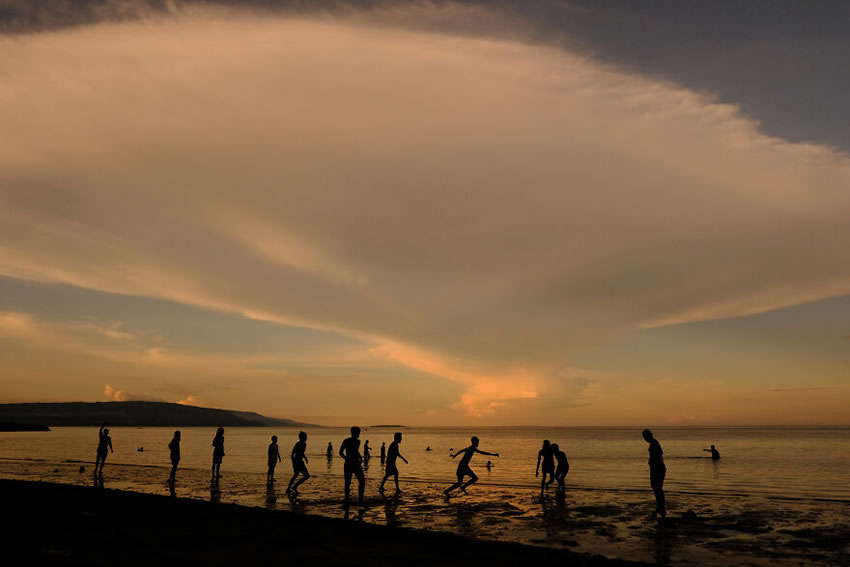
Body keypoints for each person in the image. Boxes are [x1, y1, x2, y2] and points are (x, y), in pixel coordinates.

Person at [642, 429, 666, 519]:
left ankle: (661, 507)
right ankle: (659, 507)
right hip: (656, 468)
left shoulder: (654, 443)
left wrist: (654, 463)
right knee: (656, 488)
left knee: (657, 488)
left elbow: (659, 454)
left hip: (658, 468)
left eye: (645, 437)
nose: (645, 439)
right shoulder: (653, 443)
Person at [339, 426, 365, 505]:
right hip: (349, 464)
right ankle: (347, 500)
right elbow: (340, 452)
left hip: (356, 464)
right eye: (357, 433)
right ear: (353, 433)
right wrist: (346, 458)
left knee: (362, 481)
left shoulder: (358, 442)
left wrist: (360, 457)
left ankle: (360, 499)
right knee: (347, 483)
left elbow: (355, 451)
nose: (358, 434)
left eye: (359, 433)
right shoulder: (346, 441)